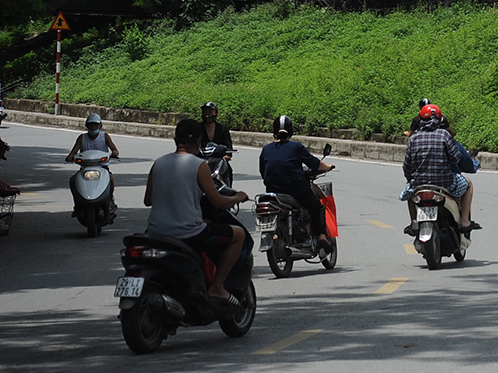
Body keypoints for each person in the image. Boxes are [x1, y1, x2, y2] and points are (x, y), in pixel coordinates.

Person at [144, 119, 249, 303]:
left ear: (175, 139)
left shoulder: (159, 163)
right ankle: (217, 287)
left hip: (155, 233)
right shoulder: (199, 165)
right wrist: (239, 197)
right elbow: (217, 202)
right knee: (239, 235)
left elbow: (148, 200)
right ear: (199, 141)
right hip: (189, 233)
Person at [258, 115, 334, 249]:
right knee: (318, 208)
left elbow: (263, 171)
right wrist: (327, 167)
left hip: (273, 191)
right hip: (296, 190)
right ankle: (322, 236)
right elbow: (315, 163)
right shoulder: (296, 147)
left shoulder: (266, 149)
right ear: (291, 131)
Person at [400, 104, 477, 234]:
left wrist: (410, 180)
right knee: (469, 185)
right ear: (441, 119)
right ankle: (464, 220)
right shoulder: (444, 135)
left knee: (410, 193)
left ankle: (414, 222)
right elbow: (455, 158)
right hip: (446, 184)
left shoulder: (413, 139)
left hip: (419, 185)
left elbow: (407, 165)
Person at [65, 112, 120, 209]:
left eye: (95, 124)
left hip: (102, 167)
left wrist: (114, 153)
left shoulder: (105, 136)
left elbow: (114, 149)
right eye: (91, 124)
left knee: (110, 179)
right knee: (73, 180)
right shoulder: (82, 138)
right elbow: (73, 152)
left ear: (100, 125)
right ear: (86, 125)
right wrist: (70, 156)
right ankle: (77, 203)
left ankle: (110, 199)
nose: (93, 127)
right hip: (85, 168)